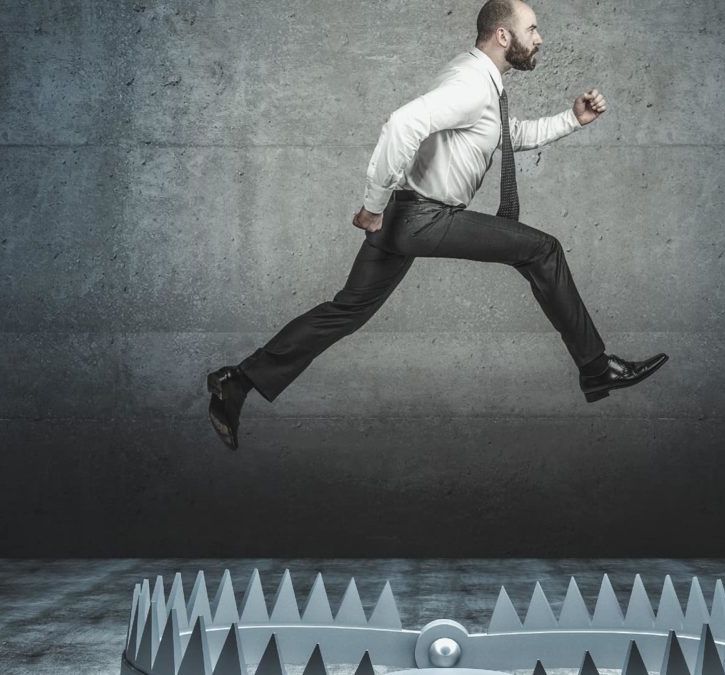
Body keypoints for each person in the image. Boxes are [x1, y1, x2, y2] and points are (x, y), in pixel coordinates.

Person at [206, 0, 667, 450]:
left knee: (346, 310)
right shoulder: (472, 85)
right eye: (532, 29)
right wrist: (373, 203)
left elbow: (506, 135)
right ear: (503, 36)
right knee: (542, 250)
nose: (540, 38)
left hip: (406, 218)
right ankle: (595, 367)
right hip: (422, 217)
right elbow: (402, 124)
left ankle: (238, 381)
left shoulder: (475, 80)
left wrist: (573, 119)